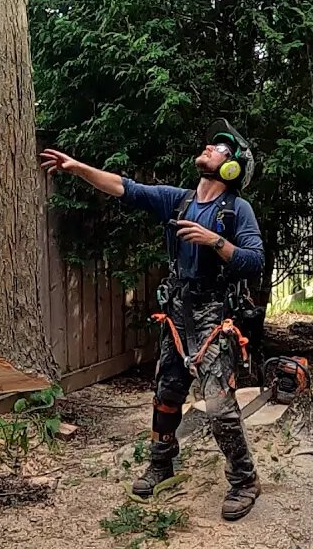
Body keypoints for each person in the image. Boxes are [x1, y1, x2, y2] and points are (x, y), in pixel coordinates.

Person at [40, 121, 265, 521]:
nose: (210, 147)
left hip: (215, 313)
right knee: (166, 395)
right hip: (177, 311)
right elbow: (125, 187)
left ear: (232, 168)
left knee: (217, 405)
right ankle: (161, 463)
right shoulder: (178, 201)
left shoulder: (237, 210)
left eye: (220, 148)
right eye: (212, 142)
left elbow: (255, 260)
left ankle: (244, 480)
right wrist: (77, 167)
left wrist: (215, 241)